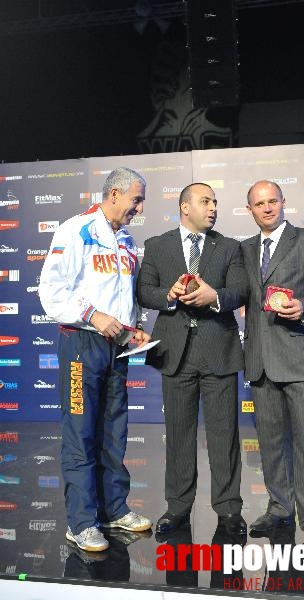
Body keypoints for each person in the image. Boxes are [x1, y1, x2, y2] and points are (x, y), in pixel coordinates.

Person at [38, 167, 152, 553]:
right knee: (81, 435)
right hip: (81, 346)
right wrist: (93, 316)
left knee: (113, 432)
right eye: (136, 199)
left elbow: (124, 295)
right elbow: (52, 292)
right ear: (115, 194)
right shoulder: (76, 229)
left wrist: (134, 325)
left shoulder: (126, 238)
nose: (139, 207)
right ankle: (81, 522)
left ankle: (114, 509)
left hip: (117, 348)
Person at [137, 182, 248, 536]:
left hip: (219, 351)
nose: (213, 207)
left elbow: (240, 290)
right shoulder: (156, 245)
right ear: (185, 207)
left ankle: (229, 510)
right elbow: (144, 291)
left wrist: (215, 296)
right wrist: (167, 296)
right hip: (175, 353)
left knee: (224, 436)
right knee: (179, 435)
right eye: (206, 201)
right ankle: (178, 508)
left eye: (215, 201)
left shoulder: (229, 247)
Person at [242, 180, 304, 552]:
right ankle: (280, 508)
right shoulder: (245, 249)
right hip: (261, 362)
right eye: (259, 204)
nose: (267, 208)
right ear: (250, 210)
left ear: (283, 203)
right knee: (271, 444)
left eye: (273, 201)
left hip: (303, 358)